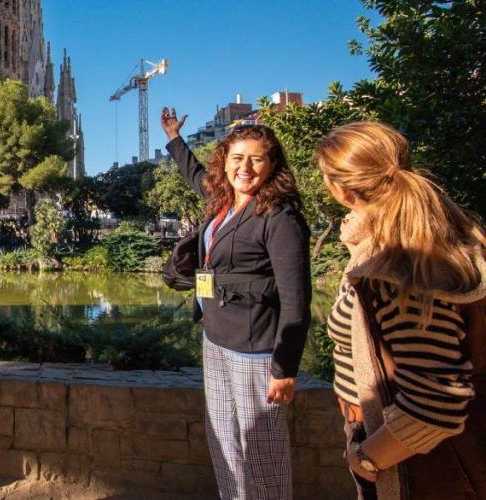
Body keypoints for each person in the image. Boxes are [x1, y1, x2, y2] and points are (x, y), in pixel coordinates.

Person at [316, 121, 486, 498]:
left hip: (406, 458)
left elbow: (436, 404)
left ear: (340, 190)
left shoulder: (397, 268)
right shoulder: (420, 243)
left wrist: (366, 458)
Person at [160, 108, 311, 499]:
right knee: (224, 438)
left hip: (255, 349)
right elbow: (195, 176)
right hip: (216, 339)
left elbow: (296, 301)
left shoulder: (279, 217)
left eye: (256, 159)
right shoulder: (223, 202)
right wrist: (175, 138)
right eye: (236, 158)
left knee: (260, 449)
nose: (245, 167)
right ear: (224, 162)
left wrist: (285, 368)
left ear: (272, 165)